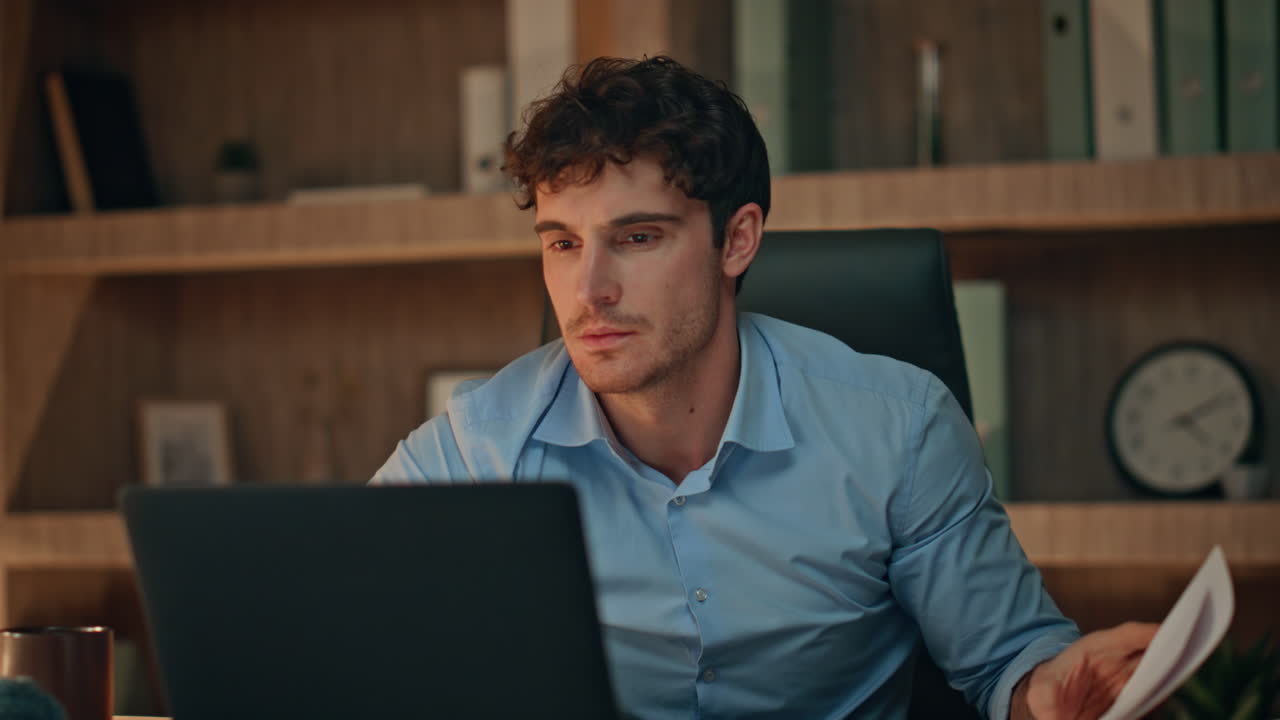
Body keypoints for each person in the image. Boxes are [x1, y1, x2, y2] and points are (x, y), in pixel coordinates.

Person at [372, 56, 1156, 719]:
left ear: (736, 239)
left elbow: (1009, 663)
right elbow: (345, 634)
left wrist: (1052, 689)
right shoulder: (477, 448)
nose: (588, 289)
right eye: (563, 243)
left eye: (637, 237)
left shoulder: (900, 429)